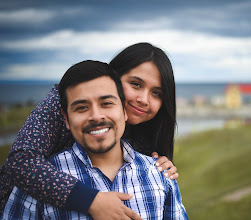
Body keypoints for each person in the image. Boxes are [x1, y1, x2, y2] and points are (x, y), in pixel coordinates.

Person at [0, 43, 178, 219]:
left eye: (157, 93)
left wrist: (161, 168)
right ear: (114, 77)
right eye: (136, 84)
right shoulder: (65, 98)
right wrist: (91, 201)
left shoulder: (140, 135)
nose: (144, 99)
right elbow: (20, 161)